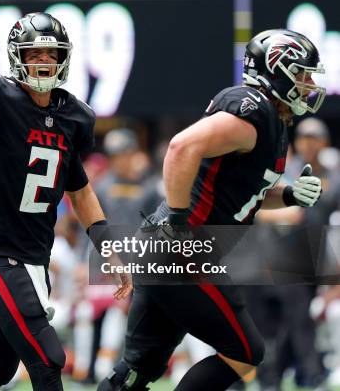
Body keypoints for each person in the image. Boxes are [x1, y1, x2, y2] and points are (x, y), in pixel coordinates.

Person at [98, 29, 326, 391]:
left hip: (165, 248)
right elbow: (180, 147)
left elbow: (246, 190)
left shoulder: (272, 120)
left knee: (138, 369)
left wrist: (289, 195)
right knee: (245, 351)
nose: (309, 83)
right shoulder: (252, 109)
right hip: (181, 251)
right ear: (275, 70)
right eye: (302, 72)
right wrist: (176, 219)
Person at [0, 2, 131, 390]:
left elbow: (80, 189)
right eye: (33, 53)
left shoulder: (76, 117)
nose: (42, 61)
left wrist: (108, 248)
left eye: (50, 54)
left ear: (63, 59)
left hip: (36, 256)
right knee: (48, 356)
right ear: (16, 59)